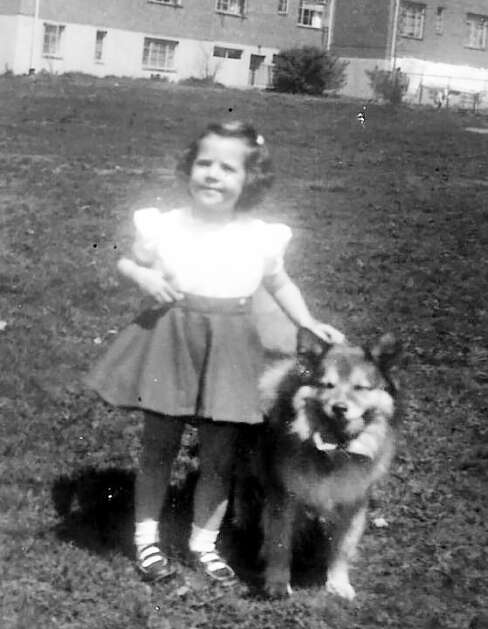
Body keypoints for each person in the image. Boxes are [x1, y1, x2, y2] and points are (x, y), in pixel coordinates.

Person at [85, 121, 344, 585]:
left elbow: (279, 282)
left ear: (250, 180)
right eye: (204, 163)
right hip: (172, 337)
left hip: (229, 348)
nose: (212, 175)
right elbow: (127, 259)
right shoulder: (166, 226)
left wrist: (305, 321)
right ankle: (147, 538)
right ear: (189, 168)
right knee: (159, 446)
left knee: (219, 456)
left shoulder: (258, 237)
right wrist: (142, 276)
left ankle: (203, 544)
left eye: (228, 168)